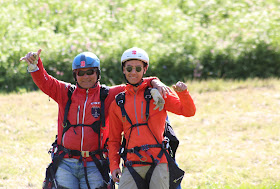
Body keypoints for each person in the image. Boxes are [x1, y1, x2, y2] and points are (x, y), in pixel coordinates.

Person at [20, 49, 170, 189]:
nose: (85, 76)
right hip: (65, 162)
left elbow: (136, 80)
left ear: (97, 73)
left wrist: (155, 81)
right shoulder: (65, 93)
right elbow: (46, 82)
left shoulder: (108, 94)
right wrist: (35, 66)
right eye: (81, 73)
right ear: (75, 75)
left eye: (90, 72)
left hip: (95, 163)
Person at [108, 47, 196, 189]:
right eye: (129, 68)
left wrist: (183, 93)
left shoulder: (159, 93)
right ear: (123, 70)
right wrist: (113, 165)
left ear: (145, 69)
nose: (133, 72)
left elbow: (188, 111)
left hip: (159, 160)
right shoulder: (118, 103)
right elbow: (113, 140)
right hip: (132, 163)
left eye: (138, 68)